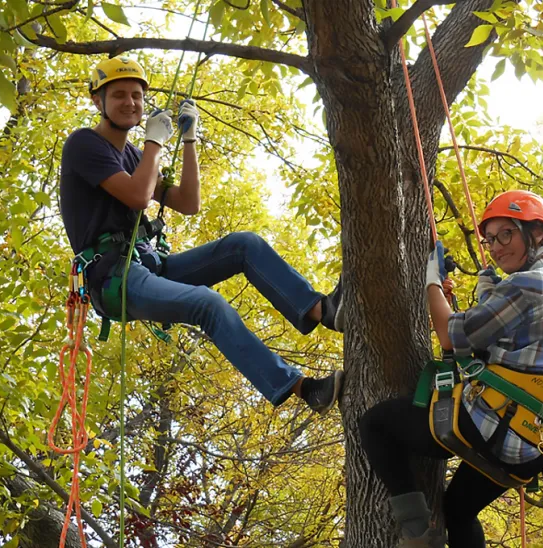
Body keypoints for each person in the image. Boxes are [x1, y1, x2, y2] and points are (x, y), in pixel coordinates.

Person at [59, 56, 345, 415]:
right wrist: (155, 143)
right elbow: (137, 195)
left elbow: (187, 202)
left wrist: (189, 139)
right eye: (119, 95)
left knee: (245, 245)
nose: (130, 103)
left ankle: (322, 310)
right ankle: (304, 389)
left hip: (150, 265)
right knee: (208, 304)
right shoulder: (84, 145)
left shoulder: (134, 156)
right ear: (96, 100)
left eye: (136, 95)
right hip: (114, 277)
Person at [358, 190, 543, 547]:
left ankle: (416, 534)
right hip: (531, 444)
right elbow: (498, 342)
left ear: (537, 234)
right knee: (458, 511)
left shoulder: (530, 285)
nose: (495, 247)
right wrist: (488, 292)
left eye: (505, 234)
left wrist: (431, 282)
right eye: (490, 239)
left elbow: (450, 336)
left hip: (493, 426)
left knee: (376, 423)